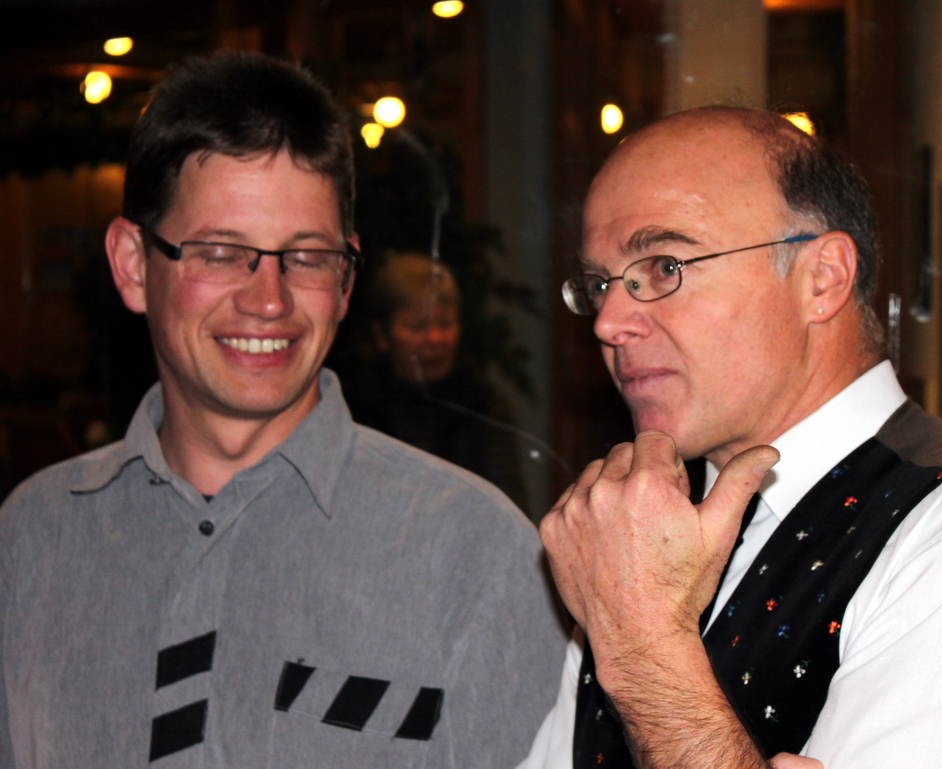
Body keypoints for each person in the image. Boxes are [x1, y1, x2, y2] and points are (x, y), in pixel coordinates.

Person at [0, 52, 566, 768]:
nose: (268, 300)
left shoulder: (474, 557)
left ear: (346, 280)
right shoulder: (33, 539)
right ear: (134, 264)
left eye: (306, 257)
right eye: (219, 252)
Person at [524, 107, 942, 769]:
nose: (609, 321)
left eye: (665, 266)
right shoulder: (641, 527)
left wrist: (642, 647)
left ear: (824, 277)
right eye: (598, 284)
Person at [345, 251, 528, 509]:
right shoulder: (355, 408)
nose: (435, 339)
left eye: (445, 324)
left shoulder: (482, 405)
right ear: (382, 335)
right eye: (417, 326)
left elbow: (509, 507)